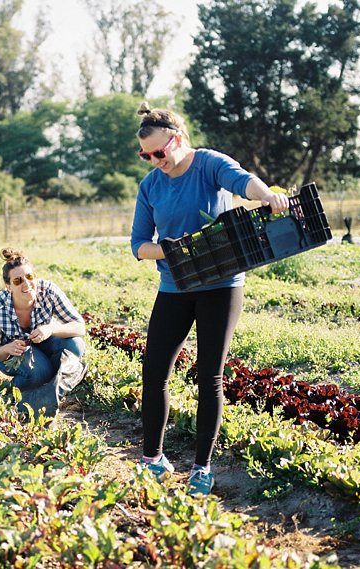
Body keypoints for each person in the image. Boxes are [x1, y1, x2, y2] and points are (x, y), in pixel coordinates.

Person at [130, 101, 289, 496]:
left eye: (159, 153)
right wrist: (170, 249)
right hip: (175, 286)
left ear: (177, 140)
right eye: (145, 155)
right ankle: (153, 460)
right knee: (154, 374)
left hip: (222, 284)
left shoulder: (208, 164)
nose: (154, 161)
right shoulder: (150, 186)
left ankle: (202, 467)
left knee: (209, 377)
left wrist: (267, 195)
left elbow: (242, 181)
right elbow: (138, 245)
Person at [0, 248, 86, 415]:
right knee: (40, 372)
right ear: (8, 287)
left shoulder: (48, 291)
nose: (26, 284)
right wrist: (7, 348)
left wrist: (51, 328)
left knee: (76, 346)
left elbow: (79, 327)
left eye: (30, 277)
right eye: (18, 281)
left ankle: (50, 390)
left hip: (45, 342)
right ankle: (16, 393)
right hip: (13, 354)